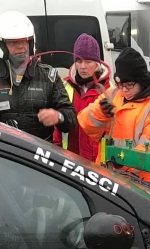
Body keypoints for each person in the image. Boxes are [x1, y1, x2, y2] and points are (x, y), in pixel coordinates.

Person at [0, 11, 76, 143]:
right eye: (14, 42)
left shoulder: (48, 77)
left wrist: (59, 116)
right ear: (1, 45)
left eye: (25, 41)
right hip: (1, 155)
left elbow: (71, 118)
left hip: (39, 157)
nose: (21, 46)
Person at [77, 47, 150, 186]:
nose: (124, 90)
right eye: (120, 84)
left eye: (129, 85)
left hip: (146, 187)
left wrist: (122, 160)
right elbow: (85, 123)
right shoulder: (114, 93)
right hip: (109, 181)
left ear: (142, 82)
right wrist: (101, 113)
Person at [54, 33, 110, 161]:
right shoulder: (64, 86)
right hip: (70, 160)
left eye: (88, 61)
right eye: (79, 61)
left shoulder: (109, 89)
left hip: (99, 163)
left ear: (97, 63)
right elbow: (57, 128)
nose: (83, 66)